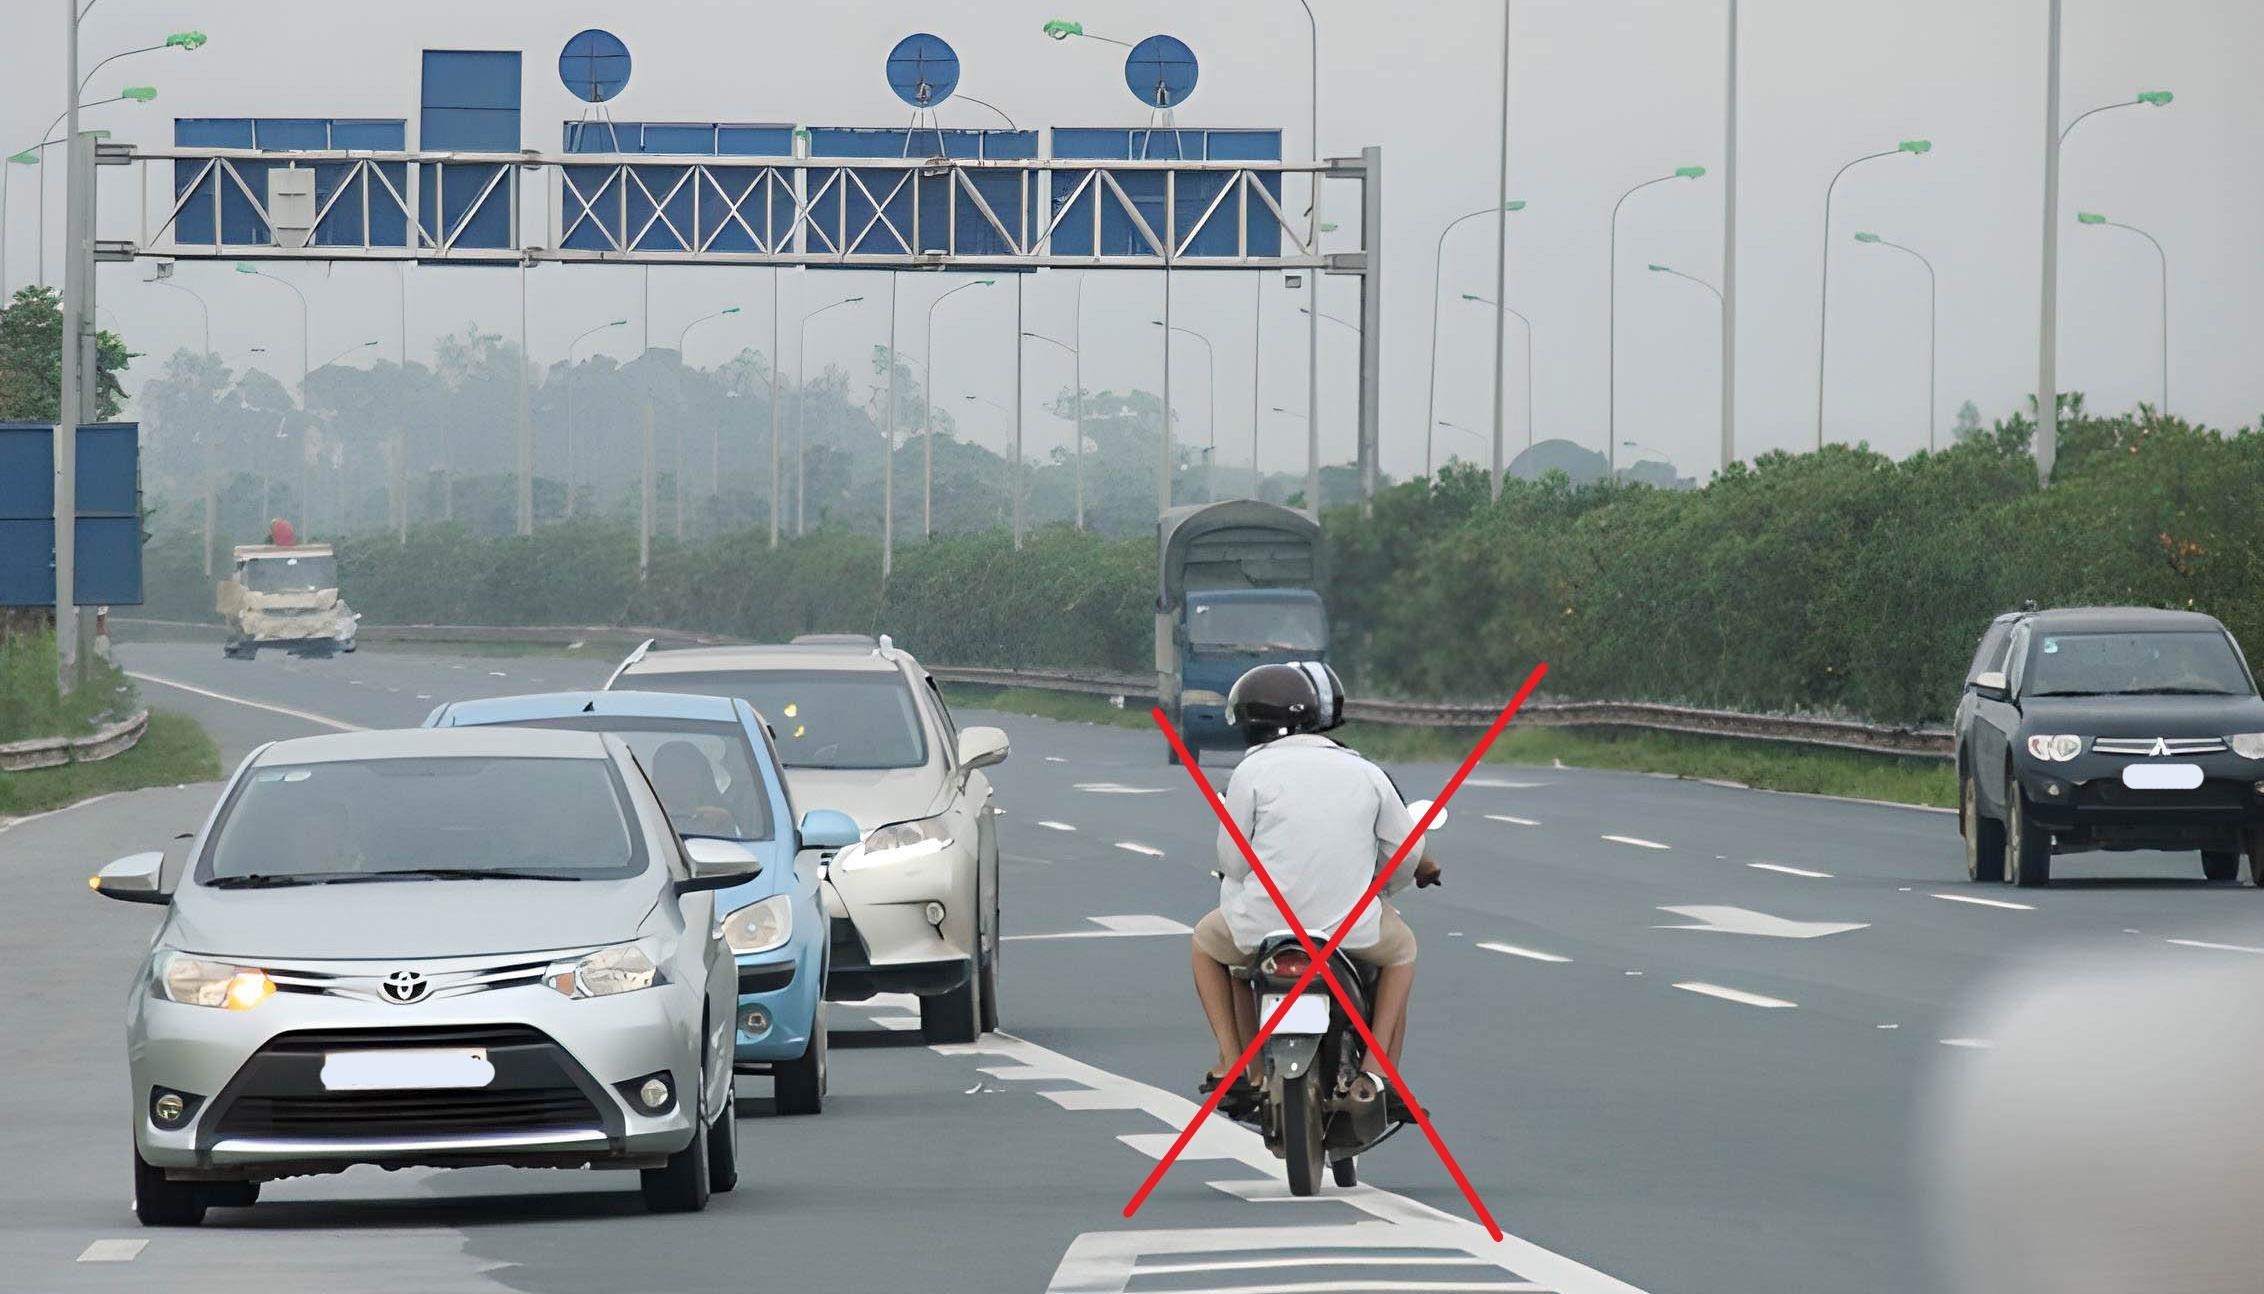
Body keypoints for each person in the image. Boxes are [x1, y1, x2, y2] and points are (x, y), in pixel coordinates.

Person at [1190, 661, 1442, 1113]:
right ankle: (1378, 1074)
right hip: (1351, 931)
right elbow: (1405, 854)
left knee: (1206, 945)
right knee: (1402, 952)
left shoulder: (1252, 772)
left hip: (1265, 928)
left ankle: (1230, 1062)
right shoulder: (1365, 772)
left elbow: (1231, 860)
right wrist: (1390, 889)